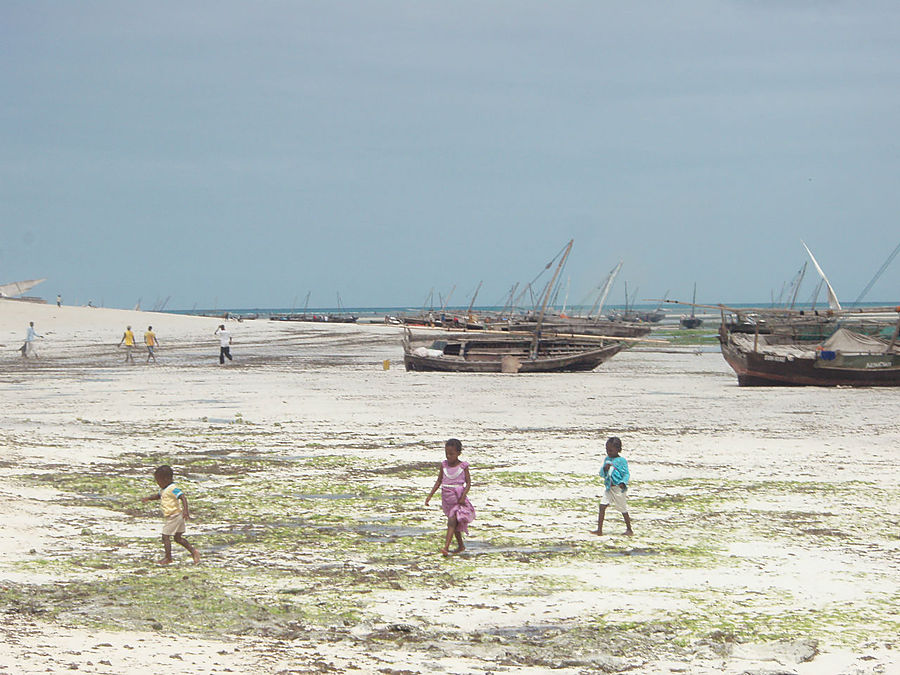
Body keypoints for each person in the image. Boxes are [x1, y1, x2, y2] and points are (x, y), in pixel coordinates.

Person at [141, 465, 200, 565]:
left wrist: (186, 510)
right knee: (178, 538)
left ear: (166, 479)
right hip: (176, 516)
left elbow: (183, 497)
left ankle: (168, 558)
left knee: (165, 536)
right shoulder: (164, 489)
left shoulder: (173, 488)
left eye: (159, 481)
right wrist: (148, 498)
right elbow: (158, 496)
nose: (158, 483)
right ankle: (194, 551)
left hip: (175, 515)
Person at [425, 438, 475, 556]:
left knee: (451, 522)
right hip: (447, 499)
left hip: (458, 499)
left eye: (451, 454)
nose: (449, 456)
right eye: (447, 454)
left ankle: (446, 548)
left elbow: (468, 483)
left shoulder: (463, 466)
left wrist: (463, 496)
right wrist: (430, 496)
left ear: (458, 453)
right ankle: (461, 545)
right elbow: (438, 481)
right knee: (455, 523)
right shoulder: (444, 465)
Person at [591, 436, 633, 536]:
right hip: (609, 488)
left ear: (618, 450)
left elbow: (626, 474)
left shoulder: (622, 461)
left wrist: (623, 482)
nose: (608, 452)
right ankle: (599, 530)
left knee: (623, 509)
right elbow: (602, 473)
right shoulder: (607, 459)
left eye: (611, 450)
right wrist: (605, 469)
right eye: (607, 450)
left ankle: (629, 529)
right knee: (602, 506)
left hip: (618, 488)